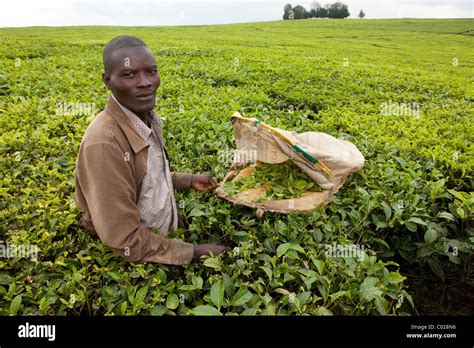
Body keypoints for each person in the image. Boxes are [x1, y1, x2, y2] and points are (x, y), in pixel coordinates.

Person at [74, 35, 229, 265]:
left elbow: (143, 177)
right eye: (129, 74)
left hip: (165, 236)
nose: (145, 82)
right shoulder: (105, 144)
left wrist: (187, 180)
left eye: (151, 72)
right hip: (146, 260)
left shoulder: (144, 118)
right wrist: (195, 252)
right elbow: (124, 240)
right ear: (107, 81)